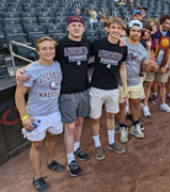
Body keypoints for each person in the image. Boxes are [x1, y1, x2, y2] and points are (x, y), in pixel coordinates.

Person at [17, 16, 91, 177]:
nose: (77, 27)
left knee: (78, 123)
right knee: (68, 127)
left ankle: (75, 149)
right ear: (68, 28)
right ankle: (69, 159)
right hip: (65, 94)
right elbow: (43, 58)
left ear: (84, 28)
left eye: (79, 25)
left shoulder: (87, 44)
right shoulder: (60, 45)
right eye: (73, 25)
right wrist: (22, 69)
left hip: (82, 91)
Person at [15, 37, 64, 192]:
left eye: (51, 48)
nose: (48, 51)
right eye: (44, 49)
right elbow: (18, 95)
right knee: (36, 145)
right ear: (37, 51)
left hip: (54, 111)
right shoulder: (29, 71)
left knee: (52, 137)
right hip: (36, 115)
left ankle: (51, 161)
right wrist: (24, 117)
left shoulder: (58, 64)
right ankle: (37, 177)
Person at [89, 17, 128, 160]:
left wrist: (125, 88)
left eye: (119, 28)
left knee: (112, 116)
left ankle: (111, 142)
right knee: (95, 119)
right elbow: (86, 57)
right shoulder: (97, 43)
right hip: (97, 87)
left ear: (122, 31)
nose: (116, 30)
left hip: (113, 87)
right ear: (108, 28)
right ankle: (97, 145)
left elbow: (122, 67)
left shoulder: (123, 47)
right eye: (113, 27)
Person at [118, 20, 159, 142]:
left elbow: (145, 68)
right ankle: (122, 128)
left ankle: (135, 125)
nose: (136, 33)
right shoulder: (121, 43)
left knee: (136, 104)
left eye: (138, 31)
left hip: (136, 81)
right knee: (121, 107)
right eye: (133, 30)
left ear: (141, 33)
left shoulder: (143, 49)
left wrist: (150, 65)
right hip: (120, 82)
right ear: (129, 31)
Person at [143, 14, 170, 115]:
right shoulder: (153, 32)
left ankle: (163, 104)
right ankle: (145, 106)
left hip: (163, 64)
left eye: (169, 24)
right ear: (162, 22)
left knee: (162, 84)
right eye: (166, 23)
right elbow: (150, 49)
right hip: (151, 63)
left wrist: (166, 66)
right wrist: (153, 64)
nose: (167, 25)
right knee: (149, 83)